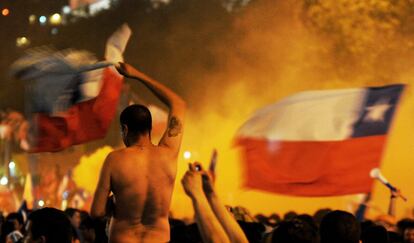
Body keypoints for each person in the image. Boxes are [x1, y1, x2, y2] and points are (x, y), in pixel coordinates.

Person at [91, 62, 186, 243]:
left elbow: (97, 212)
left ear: (125, 129)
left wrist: (119, 200)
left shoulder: (114, 160)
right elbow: (178, 103)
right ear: (149, 128)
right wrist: (137, 74)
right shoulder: (169, 154)